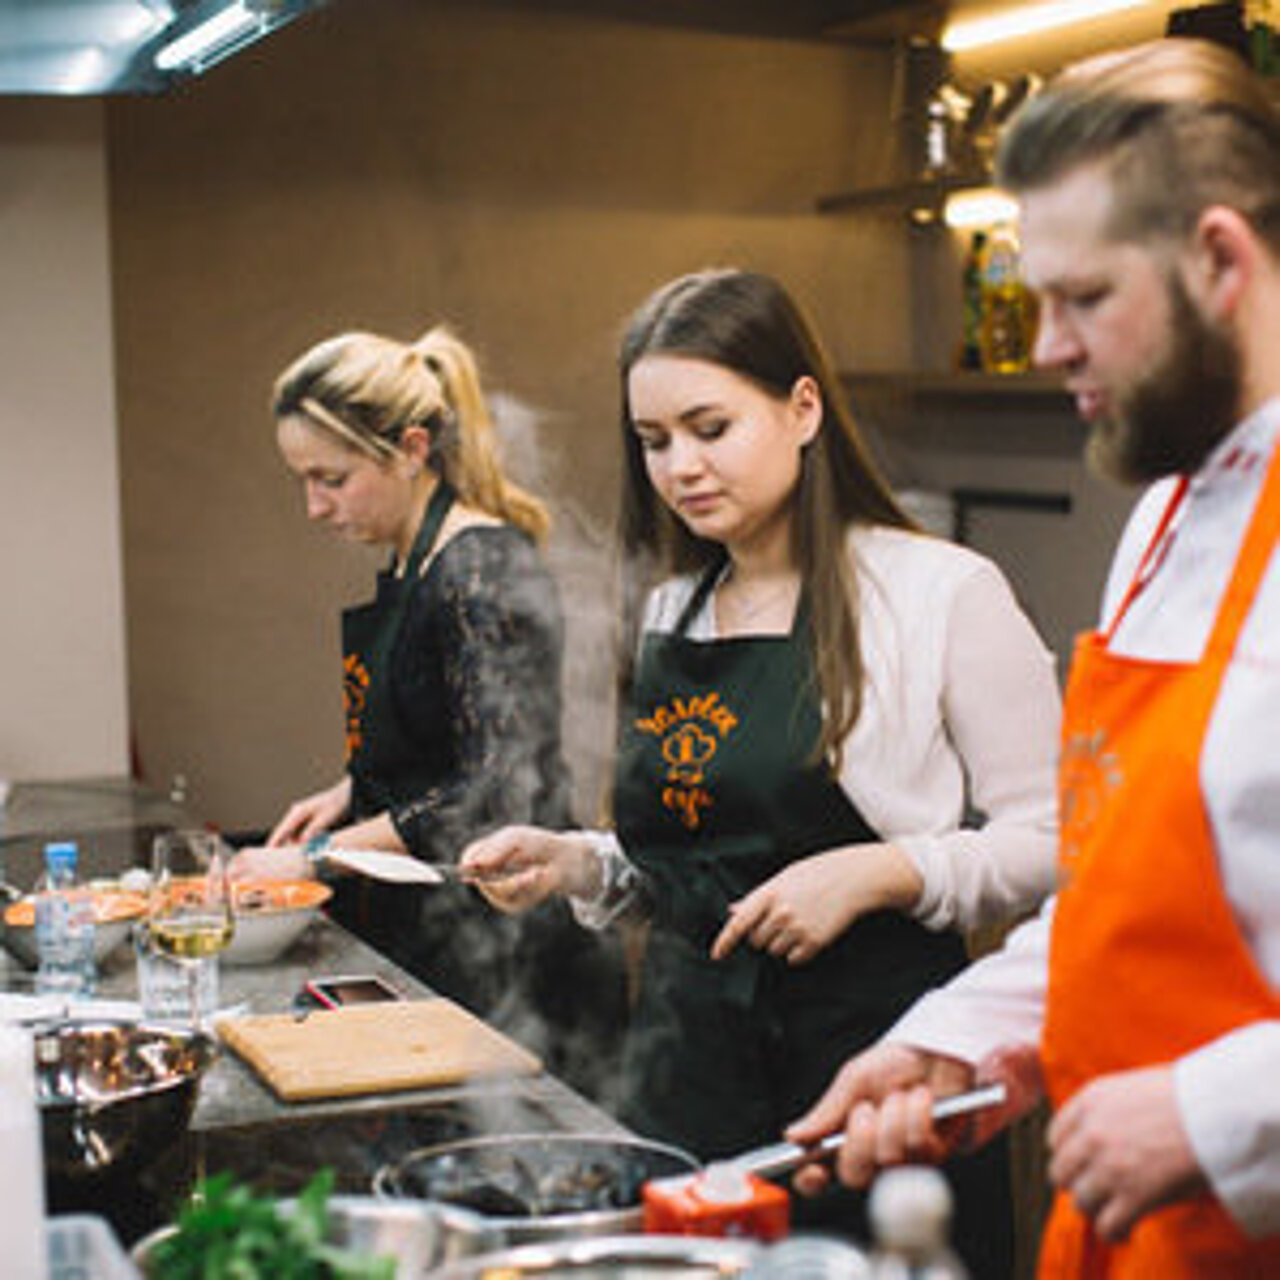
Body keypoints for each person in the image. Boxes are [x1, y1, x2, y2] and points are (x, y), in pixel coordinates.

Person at [786, 37, 1280, 1276]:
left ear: (1220, 260)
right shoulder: (1164, 521)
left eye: (1083, 297)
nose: (1045, 342)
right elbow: (1121, 906)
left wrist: (1215, 1111)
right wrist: (955, 1038)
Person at [460, 268, 1062, 1274]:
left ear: (802, 409)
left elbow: (1058, 840)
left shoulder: (939, 591)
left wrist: (882, 869)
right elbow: (695, 859)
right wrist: (581, 862)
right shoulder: (673, 609)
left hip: (870, 1080)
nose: (681, 467)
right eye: (654, 441)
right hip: (684, 1071)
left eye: (710, 428)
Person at [233, 325, 626, 1093]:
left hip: (510, 948)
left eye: (331, 478)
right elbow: (439, 726)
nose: (314, 506)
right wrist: (350, 790)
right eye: (303, 480)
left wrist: (315, 858)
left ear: (412, 449)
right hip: (439, 929)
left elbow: (495, 789)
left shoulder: (481, 568)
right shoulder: (417, 561)